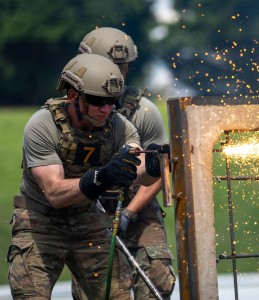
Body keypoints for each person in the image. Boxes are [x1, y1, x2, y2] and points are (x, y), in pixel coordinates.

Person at [7, 53, 165, 299]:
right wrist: (103, 176)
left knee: (116, 295)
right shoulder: (43, 125)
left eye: (111, 101)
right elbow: (54, 192)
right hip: (40, 221)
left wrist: (153, 165)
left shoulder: (121, 126)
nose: (106, 109)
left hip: (88, 218)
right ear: (73, 96)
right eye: (97, 101)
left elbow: (139, 169)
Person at [74, 27, 175, 300]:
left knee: (157, 278)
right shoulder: (70, 111)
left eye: (123, 68)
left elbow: (160, 172)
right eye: (110, 67)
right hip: (87, 208)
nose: (117, 75)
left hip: (136, 207)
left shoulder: (144, 112)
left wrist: (129, 213)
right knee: (95, 289)